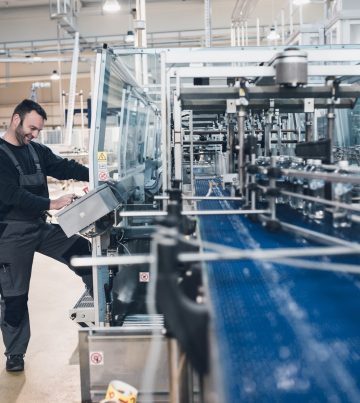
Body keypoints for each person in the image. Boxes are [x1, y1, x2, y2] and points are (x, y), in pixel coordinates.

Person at [0, 99, 93, 372]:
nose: (35, 134)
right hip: (11, 234)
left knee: (83, 251)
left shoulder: (36, 151)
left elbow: (64, 167)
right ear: (16, 119)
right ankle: (15, 354)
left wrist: (97, 175)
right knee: (15, 297)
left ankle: (102, 301)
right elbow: (11, 195)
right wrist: (51, 203)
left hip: (39, 227)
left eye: (39, 130)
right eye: (32, 128)